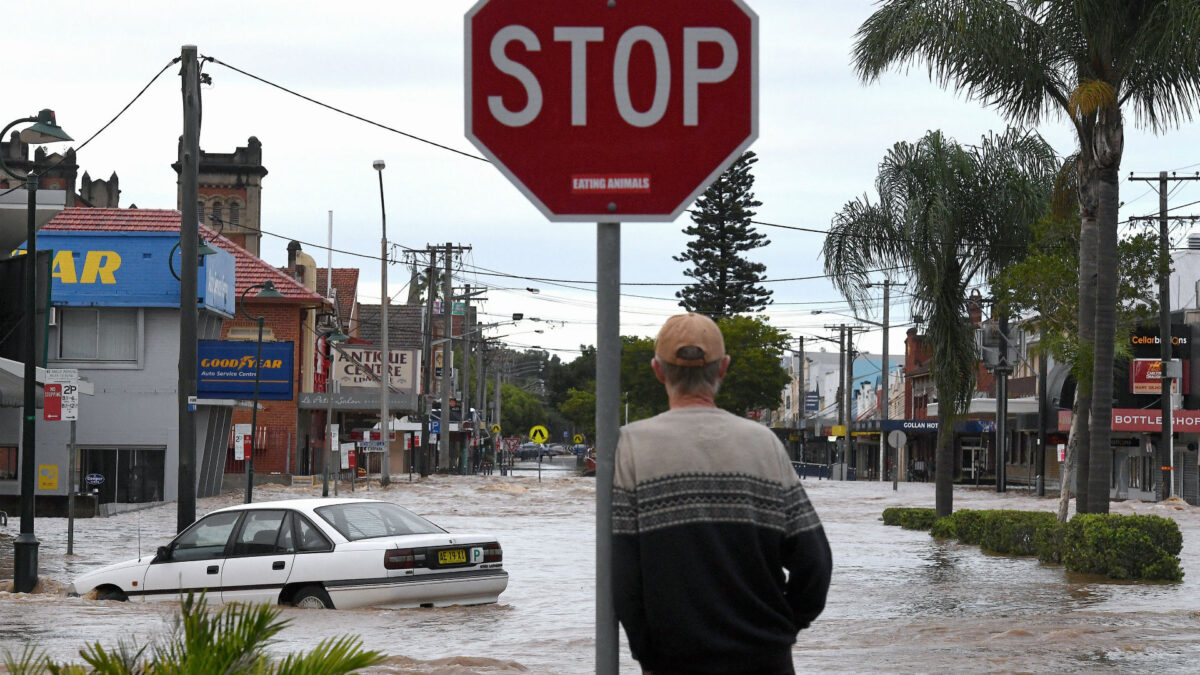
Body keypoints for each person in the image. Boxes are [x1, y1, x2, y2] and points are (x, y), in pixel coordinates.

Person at [612, 313, 833, 675]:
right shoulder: (764, 444)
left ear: (657, 370)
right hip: (766, 661)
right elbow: (815, 563)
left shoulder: (629, 447)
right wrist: (779, 631)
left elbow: (622, 575)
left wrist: (648, 652)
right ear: (723, 368)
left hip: (673, 662)